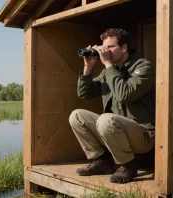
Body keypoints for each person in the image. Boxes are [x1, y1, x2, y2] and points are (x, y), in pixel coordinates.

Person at [68, 28, 155, 184]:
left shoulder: (143, 67)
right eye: (103, 47)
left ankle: (127, 166)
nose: (105, 51)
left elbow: (124, 94)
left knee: (105, 119)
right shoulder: (109, 71)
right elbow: (84, 93)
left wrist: (107, 63)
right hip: (114, 130)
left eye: (110, 47)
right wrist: (88, 66)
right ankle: (102, 161)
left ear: (124, 48)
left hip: (143, 134)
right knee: (77, 116)